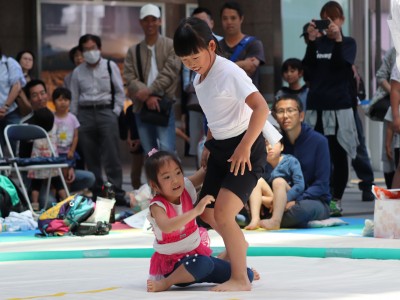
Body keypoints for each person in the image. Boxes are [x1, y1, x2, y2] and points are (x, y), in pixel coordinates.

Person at [174, 17, 268, 292]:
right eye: (185, 59)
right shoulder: (199, 76)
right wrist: (208, 142)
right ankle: (236, 246)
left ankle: (240, 277)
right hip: (220, 146)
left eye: (194, 56)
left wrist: (245, 146)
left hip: (246, 147)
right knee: (208, 211)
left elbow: (261, 108)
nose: (191, 63)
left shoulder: (230, 72)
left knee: (225, 214)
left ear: (211, 47)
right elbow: (217, 113)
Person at [145, 150, 259, 292]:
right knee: (202, 263)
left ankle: (226, 255)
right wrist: (195, 211)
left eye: (178, 173)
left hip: (197, 256)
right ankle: (166, 283)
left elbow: (206, 171)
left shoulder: (185, 187)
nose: (175, 180)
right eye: (167, 177)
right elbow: (167, 226)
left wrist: (222, 151)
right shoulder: (157, 206)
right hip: (174, 265)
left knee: (247, 275)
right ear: (154, 185)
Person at [302, 1, 358, 216]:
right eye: (326, 19)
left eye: (334, 19)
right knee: (316, 153)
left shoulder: (349, 42)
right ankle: (317, 194)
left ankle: (336, 198)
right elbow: (307, 72)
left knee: (338, 153)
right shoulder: (317, 43)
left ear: (342, 20)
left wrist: (337, 41)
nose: (331, 24)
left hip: (339, 108)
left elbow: (341, 68)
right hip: (316, 106)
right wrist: (311, 41)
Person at [70, 34, 127, 205]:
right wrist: (74, 122)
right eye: (86, 49)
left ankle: (115, 191)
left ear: (99, 49)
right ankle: (97, 192)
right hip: (85, 115)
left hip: (106, 112)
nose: (90, 52)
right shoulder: (77, 72)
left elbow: (119, 91)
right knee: (91, 157)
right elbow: (74, 98)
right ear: (81, 52)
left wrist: (115, 112)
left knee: (112, 156)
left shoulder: (110, 66)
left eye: (93, 48)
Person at [22, 79, 95, 203]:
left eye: (42, 93)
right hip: (38, 174)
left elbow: (67, 146)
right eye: (35, 95)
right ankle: (51, 195)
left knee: (90, 178)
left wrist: (69, 166)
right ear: (29, 100)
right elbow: (23, 159)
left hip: (59, 167)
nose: (40, 98)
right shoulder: (25, 124)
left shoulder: (55, 118)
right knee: (49, 202)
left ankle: (65, 193)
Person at [264, 95, 331, 228]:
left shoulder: (318, 141)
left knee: (301, 211)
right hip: (277, 196)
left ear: (301, 115)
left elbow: (321, 184)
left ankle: (266, 217)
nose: (285, 116)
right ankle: (268, 215)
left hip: (311, 200)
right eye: (280, 111)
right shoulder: (275, 143)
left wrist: (294, 200)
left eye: (290, 110)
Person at [123, 3, 181, 155]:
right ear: (140, 22)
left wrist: (148, 91)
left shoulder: (171, 46)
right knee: (150, 152)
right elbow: (129, 76)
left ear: (160, 21)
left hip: (163, 105)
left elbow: (170, 73)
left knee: (167, 150)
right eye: (146, 20)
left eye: (153, 20)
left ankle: (172, 179)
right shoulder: (133, 50)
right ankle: (154, 179)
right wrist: (147, 96)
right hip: (142, 106)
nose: (150, 24)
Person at [181, 7, 222, 168]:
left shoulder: (219, 43)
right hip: (196, 98)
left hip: (217, 98)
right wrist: (194, 85)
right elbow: (186, 76)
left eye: (202, 22)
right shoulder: (188, 45)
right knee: (199, 141)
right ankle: (201, 171)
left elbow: (259, 106)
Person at [245, 138, 304, 230]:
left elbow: (299, 185)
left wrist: (285, 199)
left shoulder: (291, 161)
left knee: (278, 181)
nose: (269, 147)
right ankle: (255, 219)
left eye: (273, 143)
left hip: (286, 196)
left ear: (282, 147)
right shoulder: (261, 164)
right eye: (266, 144)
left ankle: (275, 221)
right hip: (271, 198)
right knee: (257, 181)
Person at [26, 107, 67, 211]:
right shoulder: (54, 129)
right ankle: (68, 203)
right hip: (52, 162)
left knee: (36, 185)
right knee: (58, 183)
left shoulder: (33, 132)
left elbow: (27, 142)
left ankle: (35, 205)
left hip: (37, 162)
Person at [219, 1, 265, 89]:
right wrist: (242, 64)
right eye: (225, 18)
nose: (229, 22)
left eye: (233, 18)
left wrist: (223, 69)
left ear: (241, 19)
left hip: (248, 98)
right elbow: (214, 73)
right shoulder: (216, 46)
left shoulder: (253, 43)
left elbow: (250, 67)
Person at [0, 45, 26, 149]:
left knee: (15, 145)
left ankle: (16, 164)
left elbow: (17, 86)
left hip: (10, 111)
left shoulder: (9, 63)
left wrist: (5, 107)